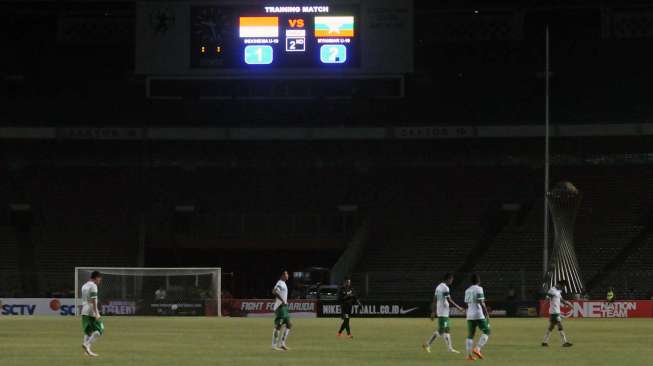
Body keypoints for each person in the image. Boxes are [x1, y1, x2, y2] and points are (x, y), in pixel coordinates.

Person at [423, 273, 465, 354]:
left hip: (442, 311)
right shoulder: (445, 288)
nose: (452, 281)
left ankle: (450, 348)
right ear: (448, 279)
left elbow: (434, 299)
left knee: (447, 330)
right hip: (443, 312)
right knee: (441, 330)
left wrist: (433, 312)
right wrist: (459, 308)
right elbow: (450, 300)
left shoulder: (438, 287)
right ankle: (427, 344)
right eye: (451, 279)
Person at [464, 274, 490, 361]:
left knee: (470, 335)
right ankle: (477, 349)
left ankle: (469, 356)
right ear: (478, 281)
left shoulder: (467, 290)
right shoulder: (479, 289)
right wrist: (487, 313)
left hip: (469, 315)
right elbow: (482, 302)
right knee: (486, 331)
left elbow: (467, 303)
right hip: (478, 314)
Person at [542, 280, 573, 347]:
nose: (562, 288)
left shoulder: (558, 291)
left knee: (551, 327)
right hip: (554, 312)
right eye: (562, 286)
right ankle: (565, 342)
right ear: (558, 285)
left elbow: (561, 300)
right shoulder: (552, 290)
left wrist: (568, 304)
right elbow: (547, 299)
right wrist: (543, 309)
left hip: (556, 312)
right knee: (560, 326)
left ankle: (544, 342)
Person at [81, 271, 104, 357]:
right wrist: (97, 312)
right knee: (100, 330)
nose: (99, 281)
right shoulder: (93, 286)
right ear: (97, 277)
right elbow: (94, 300)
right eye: (99, 279)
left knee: (88, 331)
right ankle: (86, 344)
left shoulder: (84, 286)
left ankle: (87, 352)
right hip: (91, 310)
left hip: (84, 310)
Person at [272, 270, 292, 351]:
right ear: (283, 275)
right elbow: (274, 291)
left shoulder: (284, 283)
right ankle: (274, 345)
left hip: (284, 307)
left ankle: (282, 344)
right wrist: (282, 300)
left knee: (289, 324)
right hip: (280, 307)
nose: (288, 276)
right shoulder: (280, 283)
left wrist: (284, 301)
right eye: (287, 274)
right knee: (279, 326)